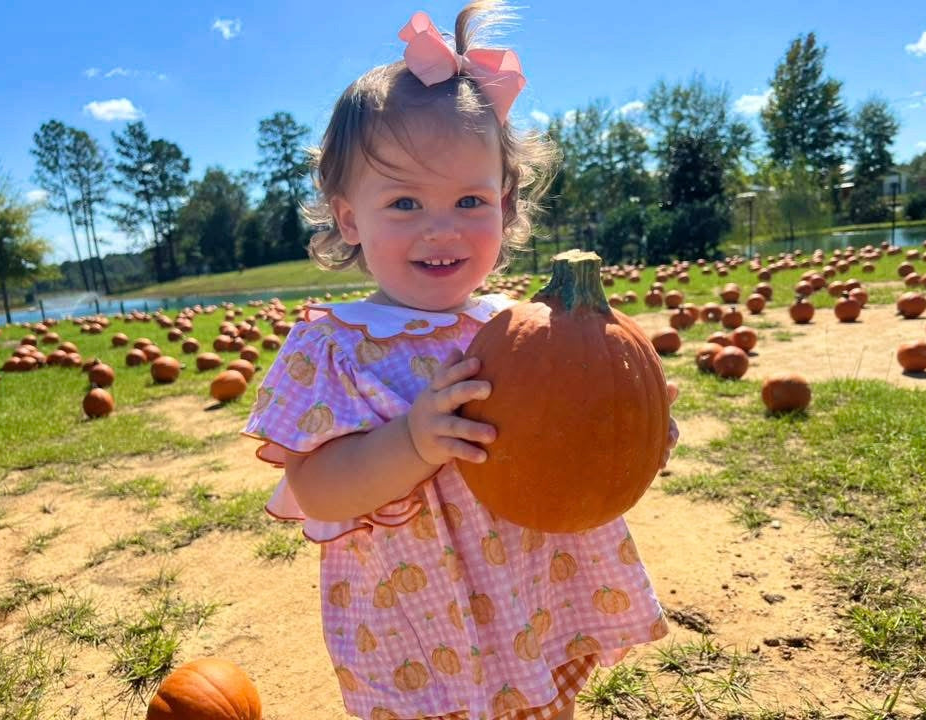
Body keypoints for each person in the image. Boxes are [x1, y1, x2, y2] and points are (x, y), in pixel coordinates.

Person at [242, 3, 679, 718]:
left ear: (505, 205)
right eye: (406, 201)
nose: (441, 228)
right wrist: (412, 441)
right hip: (419, 627)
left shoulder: (523, 324)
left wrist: (635, 428)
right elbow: (316, 489)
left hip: (529, 601)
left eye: (471, 199)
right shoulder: (336, 346)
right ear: (349, 217)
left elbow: (582, 433)